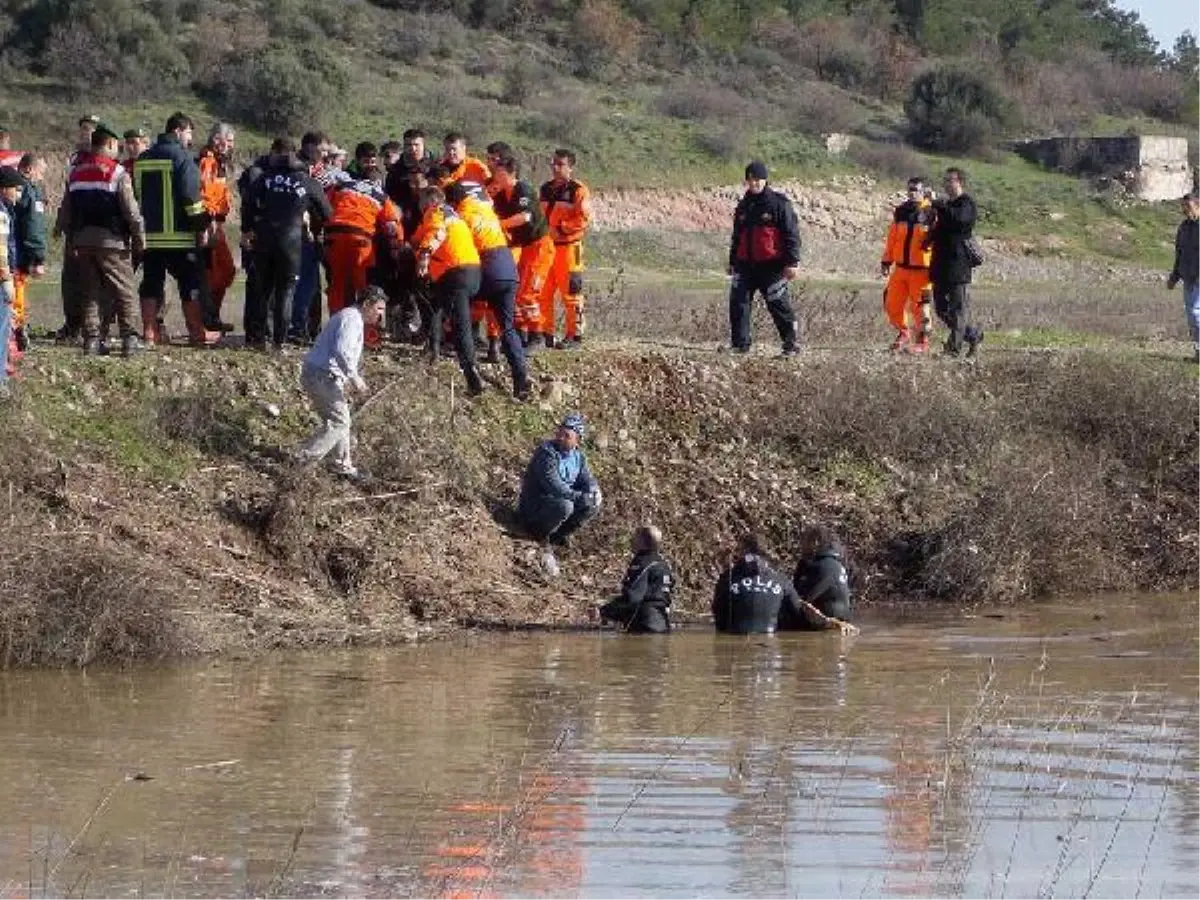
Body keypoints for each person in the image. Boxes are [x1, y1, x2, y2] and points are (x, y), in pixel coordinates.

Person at [56, 122, 146, 357]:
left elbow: (66, 209)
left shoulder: (75, 172)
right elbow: (131, 211)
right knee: (124, 289)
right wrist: (139, 238)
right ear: (109, 144)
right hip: (112, 242)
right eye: (116, 146)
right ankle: (130, 338)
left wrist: (63, 232)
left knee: (91, 291)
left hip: (82, 241)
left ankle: (93, 340)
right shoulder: (117, 173)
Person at [134, 112, 219, 346]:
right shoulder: (183, 158)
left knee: (151, 283)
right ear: (178, 131)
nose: (191, 139)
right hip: (179, 237)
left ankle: (149, 333)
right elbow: (191, 199)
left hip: (150, 236)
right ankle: (197, 332)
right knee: (189, 284)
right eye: (190, 133)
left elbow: (137, 194)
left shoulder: (142, 159)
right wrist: (201, 226)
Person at [241, 137, 332, 351]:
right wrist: (309, 218)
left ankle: (259, 339)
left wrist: (247, 230)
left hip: (264, 238)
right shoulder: (308, 181)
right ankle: (279, 343)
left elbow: (247, 204)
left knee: (264, 289)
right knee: (287, 291)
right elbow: (328, 213)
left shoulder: (264, 178)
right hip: (292, 240)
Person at [444, 181, 531, 399]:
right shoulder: (486, 208)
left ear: (454, 201)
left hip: (488, 265)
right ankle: (520, 378)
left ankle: (470, 371)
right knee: (508, 326)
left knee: (461, 304)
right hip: (508, 268)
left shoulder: (459, 215)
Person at [295, 285, 386, 481]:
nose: (381, 314)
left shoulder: (352, 318)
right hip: (321, 375)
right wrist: (354, 379)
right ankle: (303, 460)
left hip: (324, 375)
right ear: (367, 304)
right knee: (339, 421)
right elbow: (341, 351)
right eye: (379, 308)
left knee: (341, 419)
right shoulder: (351, 319)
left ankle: (341, 466)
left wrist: (348, 379)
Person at [413, 185, 487, 394]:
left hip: (456, 271)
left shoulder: (435, 213)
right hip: (472, 271)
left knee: (459, 324)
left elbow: (436, 232)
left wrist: (425, 255)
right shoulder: (454, 216)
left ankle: (471, 373)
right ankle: (433, 350)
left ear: (429, 202)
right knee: (436, 303)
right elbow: (421, 235)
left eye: (421, 203)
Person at [324, 165, 403, 349]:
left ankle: (336, 334)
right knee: (365, 290)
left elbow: (324, 205)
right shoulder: (380, 195)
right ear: (378, 181)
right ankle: (369, 337)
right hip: (361, 239)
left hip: (334, 236)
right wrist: (396, 248)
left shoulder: (342, 185)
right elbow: (392, 226)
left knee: (337, 286)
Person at [727, 161, 801, 357]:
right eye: (750, 179)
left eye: (757, 179)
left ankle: (791, 345)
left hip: (772, 265)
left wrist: (792, 263)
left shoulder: (779, 203)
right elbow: (737, 236)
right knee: (738, 303)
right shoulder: (743, 206)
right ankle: (739, 345)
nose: (754, 183)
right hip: (745, 265)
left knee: (779, 305)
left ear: (765, 180)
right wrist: (732, 261)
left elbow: (791, 234)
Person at [517, 413, 601, 571]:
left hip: (558, 503)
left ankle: (557, 535)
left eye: (567, 435)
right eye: (560, 433)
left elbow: (587, 479)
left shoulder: (578, 458)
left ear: (577, 441)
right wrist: (579, 497)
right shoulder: (547, 452)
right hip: (536, 505)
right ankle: (538, 533)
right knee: (566, 506)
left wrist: (593, 491)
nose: (561, 437)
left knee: (592, 505)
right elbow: (553, 485)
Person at [492, 155, 554, 347]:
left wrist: (499, 224)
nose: (495, 177)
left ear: (510, 173)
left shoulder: (523, 190)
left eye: (499, 173)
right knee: (517, 290)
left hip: (540, 245)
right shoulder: (501, 195)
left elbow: (525, 216)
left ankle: (537, 334)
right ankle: (519, 333)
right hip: (523, 247)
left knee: (529, 292)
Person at [538, 149, 592, 350]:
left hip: (569, 248)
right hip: (548, 248)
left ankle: (575, 336)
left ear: (570, 167)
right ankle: (545, 333)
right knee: (543, 292)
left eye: (560, 164)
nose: (554, 167)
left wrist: (561, 228)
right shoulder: (545, 189)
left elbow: (583, 219)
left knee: (571, 293)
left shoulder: (578, 190)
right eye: (553, 163)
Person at [927, 167, 981, 357]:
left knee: (958, 310)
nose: (946, 183)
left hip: (958, 265)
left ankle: (952, 349)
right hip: (940, 264)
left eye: (950, 180)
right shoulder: (946, 206)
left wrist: (939, 205)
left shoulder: (967, 204)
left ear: (960, 182)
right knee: (941, 309)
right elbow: (941, 228)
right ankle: (972, 334)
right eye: (945, 180)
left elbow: (960, 221)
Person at [881, 177, 935, 354]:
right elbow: (893, 237)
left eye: (916, 190)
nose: (912, 193)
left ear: (924, 191)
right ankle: (903, 333)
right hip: (901, 268)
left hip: (922, 271)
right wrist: (887, 260)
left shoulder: (932, 212)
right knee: (891, 304)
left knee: (920, 308)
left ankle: (922, 341)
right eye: (910, 189)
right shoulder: (901, 211)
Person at [290, 131, 333, 343]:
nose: (324, 155)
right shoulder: (299, 169)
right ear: (309, 147)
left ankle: (309, 327)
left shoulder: (319, 170)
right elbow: (323, 205)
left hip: (310, 232)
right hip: (300, 232)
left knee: (312, 283)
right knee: (303, 281)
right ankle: (297, 327)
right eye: (322, 150)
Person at [197, 122, 237, 333]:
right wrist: (208, 222)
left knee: (227, 270)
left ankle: (212, 316)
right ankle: (208, 318)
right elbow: (204, 193)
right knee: (213, 273)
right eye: (228, 141)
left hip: (217, 224)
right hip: (209, 223)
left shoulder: (219, 163)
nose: (230, 145)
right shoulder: (207, 161)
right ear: (216, 140)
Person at [781, 525, 858, 635]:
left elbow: (800, 601)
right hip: (842, 620)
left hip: (827, 623)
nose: (801, 545)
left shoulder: (820, 566)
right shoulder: (837, 564)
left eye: (805, 540)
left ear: (816, 542)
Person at [598, 526, 675, 634]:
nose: (631, 540)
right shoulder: (664, 564)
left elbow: (633, 598)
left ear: (642, 541)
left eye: (635, 537)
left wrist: (605, 611)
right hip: (663, 626)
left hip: (644, 625)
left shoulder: (642, 563)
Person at [9, 153, 47, 355]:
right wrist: (38, 256)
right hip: (18, 253)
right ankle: (15, 334)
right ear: (29, 169)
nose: (41, 178)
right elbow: (34, 226)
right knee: (16, 294)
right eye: (40, 173)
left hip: (8, 249)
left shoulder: (7, 187)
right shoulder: (29, 192)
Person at [1167, 192, 1200, 363]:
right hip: (1188, 277)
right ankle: (1198, 353)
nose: (1185, 211)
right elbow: (1180, 253)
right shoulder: (1184, 227)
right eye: (1183, 208)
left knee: (1195, 313)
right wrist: (1174, 276)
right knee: (1192, 317)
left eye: (1189, 208)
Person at [0, 168, 18, 396]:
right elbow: (1, 250)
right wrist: (6, 280)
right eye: (16, 189)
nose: (18, 194)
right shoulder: (2, 214)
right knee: (2, 328)